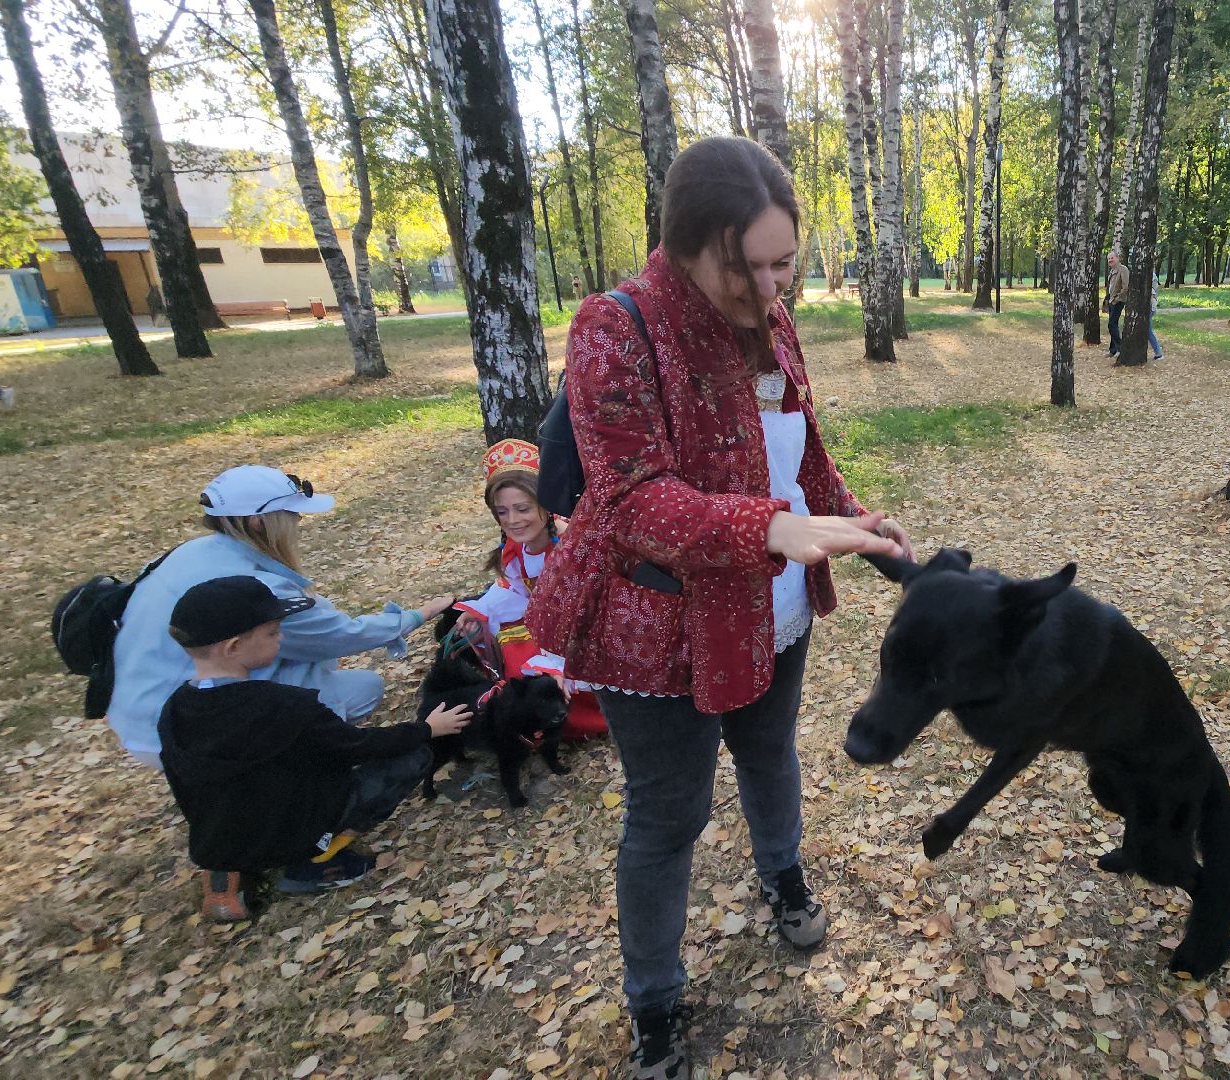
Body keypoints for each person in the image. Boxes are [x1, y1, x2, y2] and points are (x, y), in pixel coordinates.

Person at [525, 136, 911, 1080]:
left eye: (786, 264)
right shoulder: (617, 327)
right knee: (667, 815)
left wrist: (854, 518)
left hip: (770, 604)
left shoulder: (771, 319)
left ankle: (783, 874)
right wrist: (772, 527)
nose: (772, 288)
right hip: (658, 627)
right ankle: (654, 999)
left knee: (771, 753)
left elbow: (801, 448)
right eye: (751, 267)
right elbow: (630, 497)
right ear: (689, 244)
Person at [158, 576, 473, 921]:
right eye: (273, 633)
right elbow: (359, 747)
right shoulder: (285, 706)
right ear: (233, 647)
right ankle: (315, 859)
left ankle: (228, 868)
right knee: (411, 757)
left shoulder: (174, 711)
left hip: (223, 834)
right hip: (289, 828)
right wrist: (427, 729)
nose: (280, 639)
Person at [107, 465, 456, 770]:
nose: (297, 524)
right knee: (364, 687)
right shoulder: (257, 588)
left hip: (143, 719)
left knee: (308, 663)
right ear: (259, 522)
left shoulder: (188, 553)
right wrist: (418, 615)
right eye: (292, 515)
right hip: (190, 734)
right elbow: (340, 636)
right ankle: (295, 767)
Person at [451, 438, 606, 741]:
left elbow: (588, 609)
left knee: (527, 652)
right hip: (549, 625)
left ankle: (582, 717)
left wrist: (554, 661)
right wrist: (480, 610)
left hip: (585, 631)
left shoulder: (571, 545)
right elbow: (516, 589)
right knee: (509, 640)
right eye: (502, 512)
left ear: (544, 504)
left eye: (522, 508)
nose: (513, 520)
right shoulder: (515, 548)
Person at [1105, 251, 1129, 356]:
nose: (1110, 260)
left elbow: (1125, 286)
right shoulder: (1112, 271)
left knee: (1111, 324)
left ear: (1117, 258)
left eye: (1112, 258)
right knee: (1113, 325)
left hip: (1118, 301)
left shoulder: (1123, 269)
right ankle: (1113, 350)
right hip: (1111, 301)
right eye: (1108, 258)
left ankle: (1121, 348)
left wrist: (1117, 299)